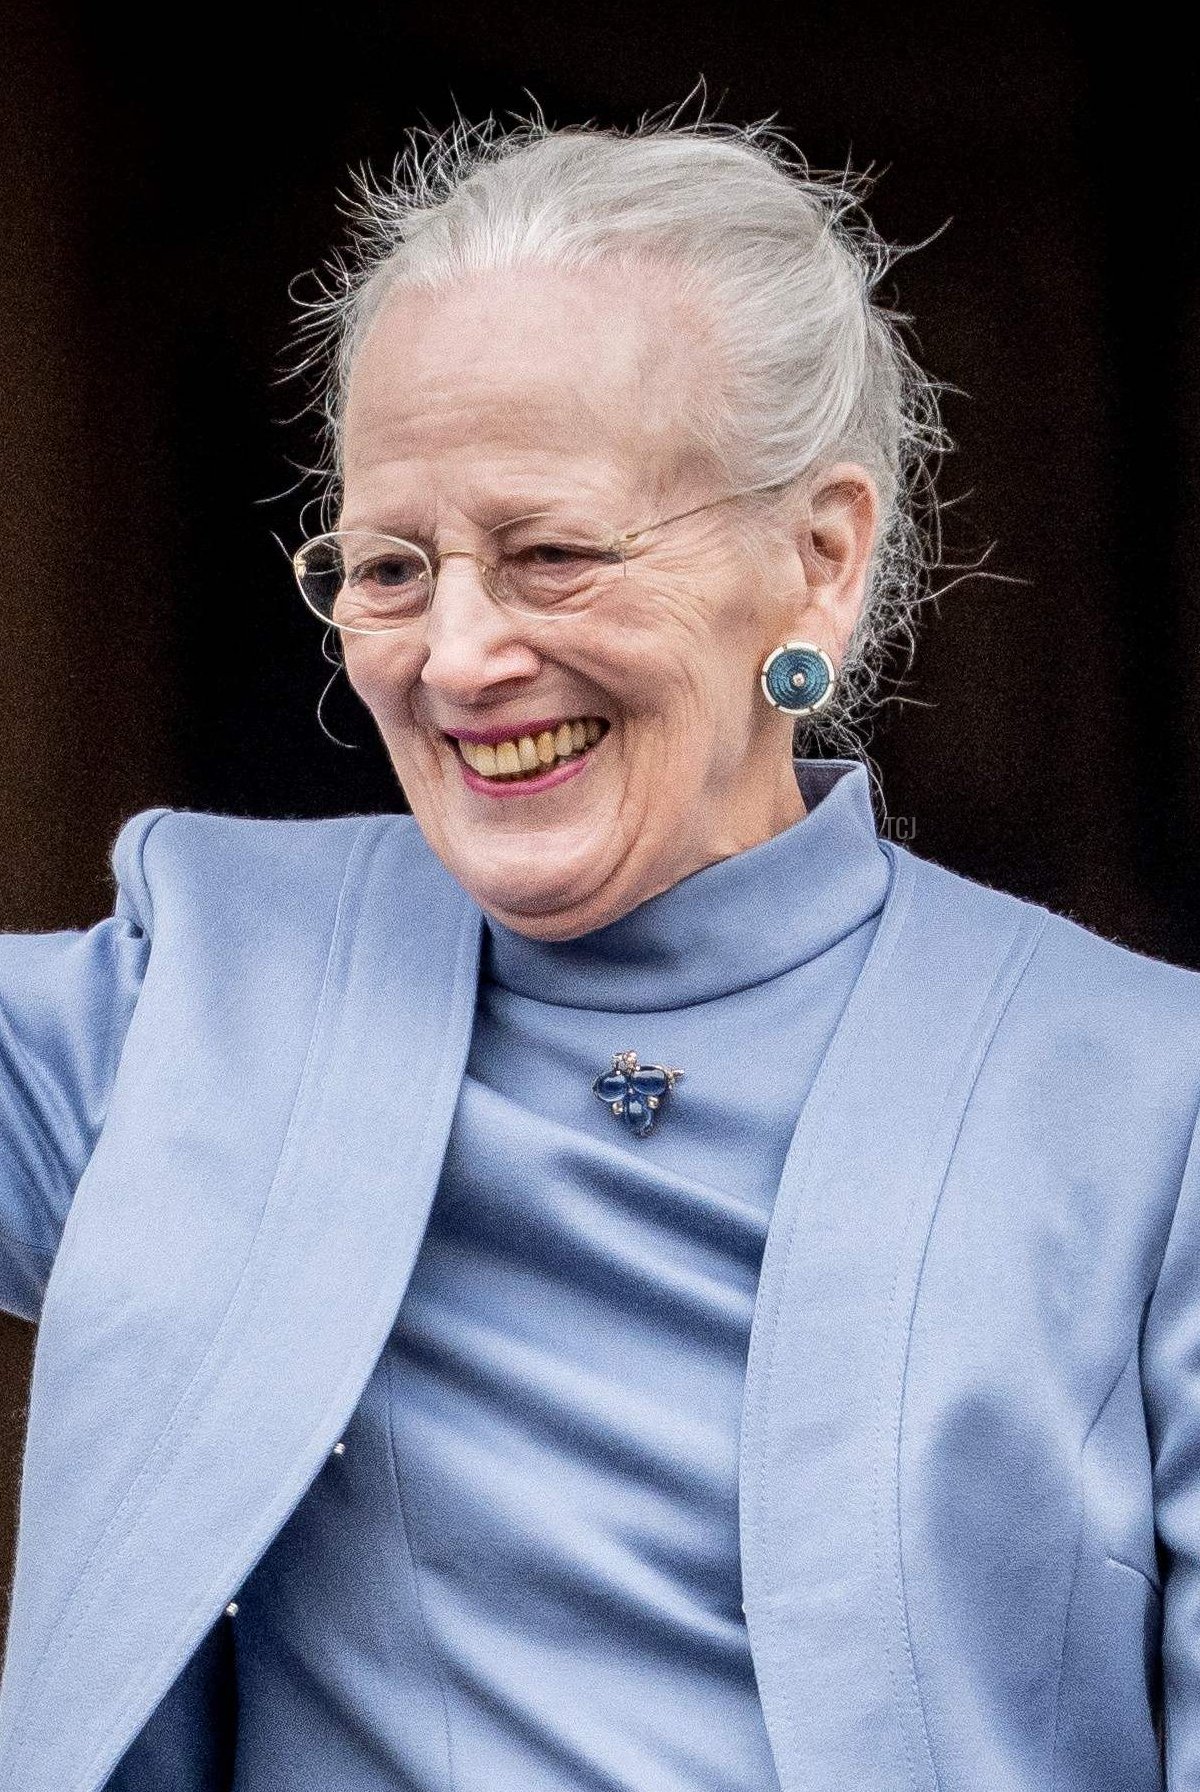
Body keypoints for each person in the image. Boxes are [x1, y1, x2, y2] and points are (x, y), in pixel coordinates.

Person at [1, 113, 1198, 1792]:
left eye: (553, 552)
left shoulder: (1151, 1101)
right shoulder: (195, 984)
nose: (463, 656)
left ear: (820, 557)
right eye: (394, 569)